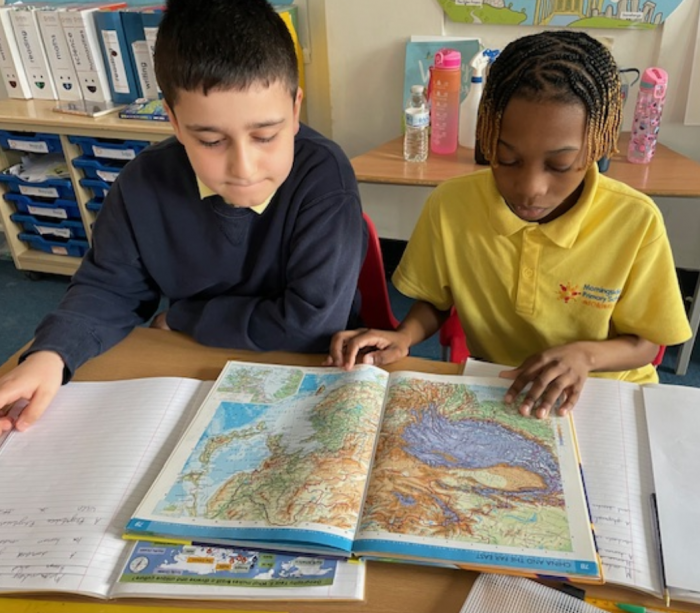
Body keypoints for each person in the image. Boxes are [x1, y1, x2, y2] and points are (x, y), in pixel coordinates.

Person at [0, 0, 365, 433]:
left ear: (296, 108)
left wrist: (184, 317)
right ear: (173, 120)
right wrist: (51, 354)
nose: (244, 168)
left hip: (306, 367)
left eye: (266, 135)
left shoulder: (323, 176)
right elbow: (107, 288)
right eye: (210, 141)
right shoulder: (142, 184)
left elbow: (310, 324)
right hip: (195, 363)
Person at [327, 30, 691, 419]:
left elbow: (646, 344)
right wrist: (405, 335)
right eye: (507, 158)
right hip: (500, 388)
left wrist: (584, 356)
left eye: (560, 165)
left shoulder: (636, 220)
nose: (530, 188)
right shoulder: (451, 205)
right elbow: (434, 301)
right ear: (486, 136)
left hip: (605, 393)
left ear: (598, 146)